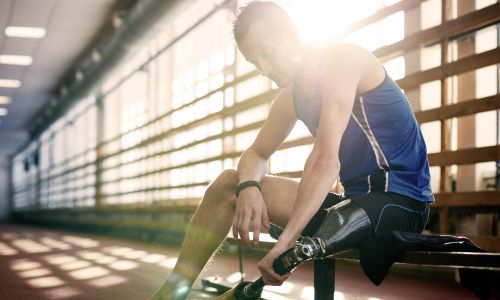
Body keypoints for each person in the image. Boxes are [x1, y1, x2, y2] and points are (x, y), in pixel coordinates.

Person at [150, 1, 434, 299]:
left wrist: (285, 242)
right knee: (227, 184)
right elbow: (255, 154)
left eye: (267, 54)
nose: (265, 69)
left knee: (323, 213)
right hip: (352, 204)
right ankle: (171, 294)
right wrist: (248, 187)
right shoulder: (291, 98)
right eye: (255, 62)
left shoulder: (342, 60)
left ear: (292, 35)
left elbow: (325, 160)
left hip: (401, 204)